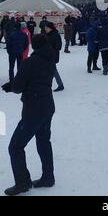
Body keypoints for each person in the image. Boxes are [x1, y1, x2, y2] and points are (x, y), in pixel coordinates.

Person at [2, 34, 56, 196]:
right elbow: (36, 80)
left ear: (34, 45)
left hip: (33, 110)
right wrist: (15, 84)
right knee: (43, 142)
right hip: (47, 106)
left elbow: (18, 86)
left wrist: (11, 86)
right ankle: (48, 177)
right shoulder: (50, 59)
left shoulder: (30, 62)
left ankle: (22, 183)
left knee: (15, 146)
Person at [44, 22, 64, 92]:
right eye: (45, 28)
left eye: (47, 28)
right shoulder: (46, 35)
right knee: (50, 70)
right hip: (46, 55)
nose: (45, 29)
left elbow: (59, 46)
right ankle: (47, 84)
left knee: (53, 70)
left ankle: (60, 85)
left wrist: (50, 48)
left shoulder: (55, 35)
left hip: (53, 56)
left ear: (50, 28)